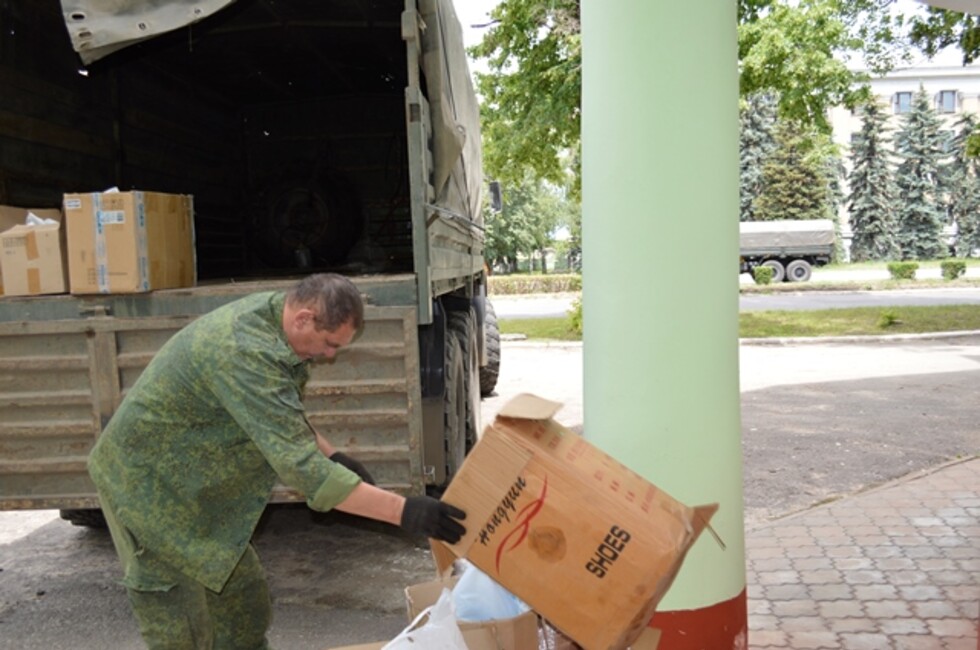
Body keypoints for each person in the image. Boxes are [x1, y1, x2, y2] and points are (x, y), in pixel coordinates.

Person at [88, 273, 466, 649]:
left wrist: (333, 455)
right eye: (330, 343)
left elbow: (280, 410)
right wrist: (405, 512)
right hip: (147, 489)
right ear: (303, 318)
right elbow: (305, 473)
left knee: (243, 608)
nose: (330, 355)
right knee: (181, 628)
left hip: (195, 488)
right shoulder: (243, 349)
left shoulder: (277, 318)